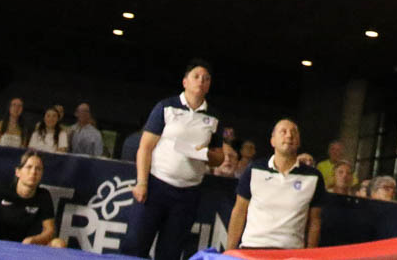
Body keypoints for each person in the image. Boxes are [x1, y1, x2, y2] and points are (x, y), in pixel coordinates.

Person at [119, 60, 233, 260]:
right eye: (196, 77)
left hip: (188, 193)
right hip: (156, 185)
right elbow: (145, 147)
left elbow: (218, 157)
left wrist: (206, 154)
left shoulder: (214, 117)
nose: (201, 81)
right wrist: (142, 182)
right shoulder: (166, 107)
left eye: (206, 79)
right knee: (135, 245)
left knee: (171, 251)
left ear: (209, 86)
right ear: (185, 82)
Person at [226, 119, 322, 251]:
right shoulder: (254, 170)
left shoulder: (313, 177)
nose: (289, 135)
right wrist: (229, 251)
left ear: (299, 141)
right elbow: (239, 211)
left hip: (291, 253)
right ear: (273, 141)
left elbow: (314, 221)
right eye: (283, 132)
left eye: (293, 132)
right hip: (252, 249)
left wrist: (310, 255)